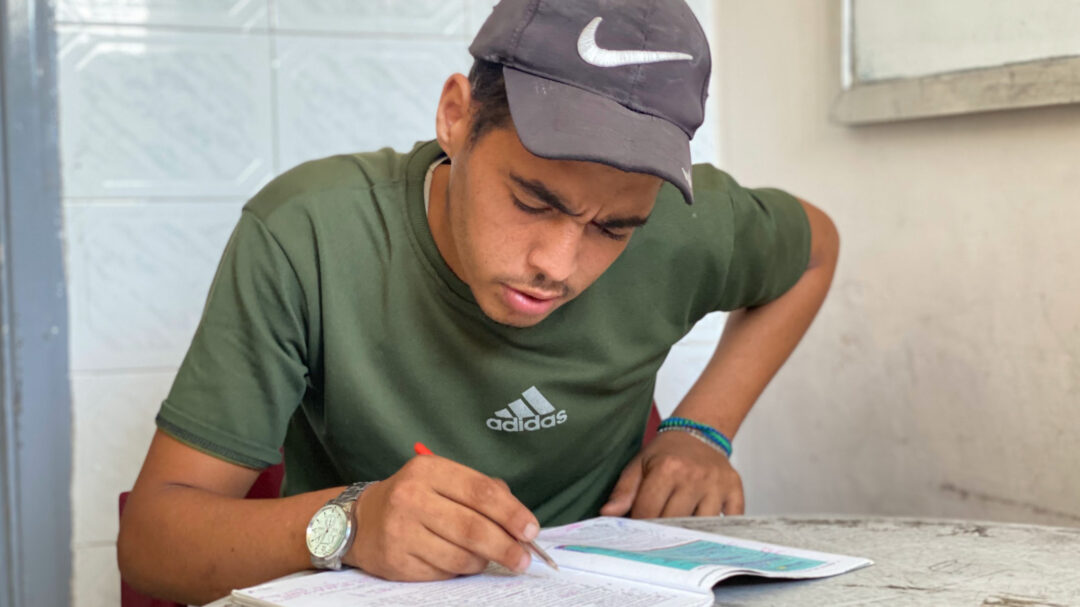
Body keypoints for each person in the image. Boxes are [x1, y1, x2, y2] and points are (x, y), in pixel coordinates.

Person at [117, 0, 839, 604]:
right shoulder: (307, 234)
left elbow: (817, 248)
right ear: (456, 117)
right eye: (531, 200)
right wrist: (353, 520)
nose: (557, 265)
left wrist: (700, 430)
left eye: (615, 228)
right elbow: (151, 543)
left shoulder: (688, 226)